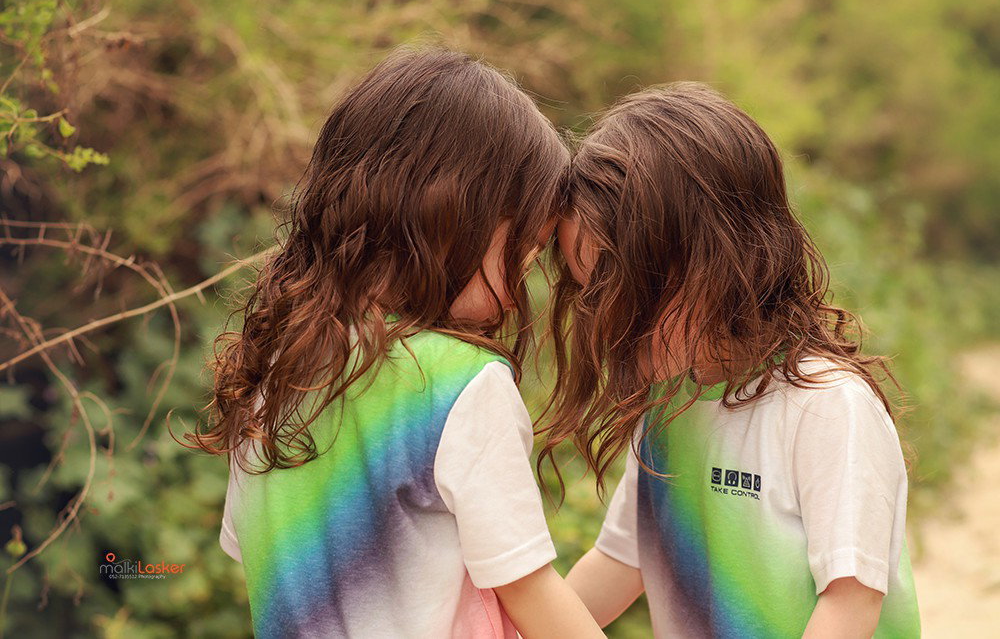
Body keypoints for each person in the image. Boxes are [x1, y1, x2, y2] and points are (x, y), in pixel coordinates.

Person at [187, 47, 604, 639]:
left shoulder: (279, 365)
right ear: (451, 216)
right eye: (523, 254)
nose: (517, 295)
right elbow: (531, 594)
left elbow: (258, 559)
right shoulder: (462, 385)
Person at [543, 82, 921, 637]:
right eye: (590, 292)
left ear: (721, 260)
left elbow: (851, 603)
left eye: (626, 287)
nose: (607, 316)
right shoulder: (670, 401)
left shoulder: (825, 407)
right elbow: (621, 561)